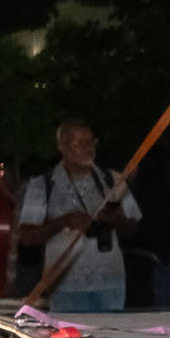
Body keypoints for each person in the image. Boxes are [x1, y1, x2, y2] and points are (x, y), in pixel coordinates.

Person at [15, 119, 142, 313]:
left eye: (90, 141)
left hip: (110, 284)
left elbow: (134, 230)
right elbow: (27, 237)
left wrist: (117, 219)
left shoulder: (112, 180)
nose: (87, 148)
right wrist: (64, 221)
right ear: (61, 147)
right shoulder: (43, 185)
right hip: (65, 287)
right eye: (78, 142)